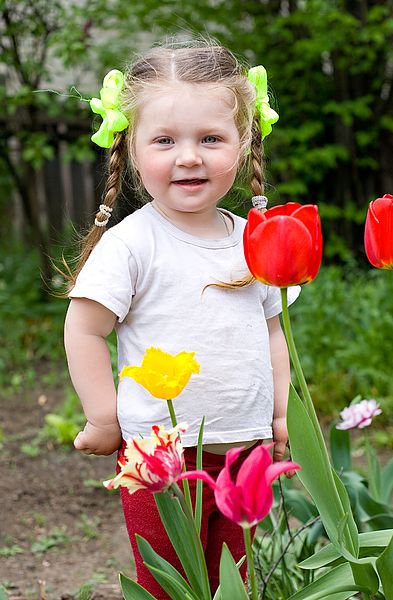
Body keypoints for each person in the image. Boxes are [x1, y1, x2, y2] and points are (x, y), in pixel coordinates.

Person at [63, 39, 300, 597]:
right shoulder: (131, 244)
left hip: (243, 448)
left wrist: (282, 414)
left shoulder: (253, 240)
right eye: (165, 140)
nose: (188, 156)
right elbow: (85, 328)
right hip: (158, 456)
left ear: (243, 146)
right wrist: (104, 417)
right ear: (133, 146)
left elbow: (272, 332)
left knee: (232, 580)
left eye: (210, 139)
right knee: (170, 580)